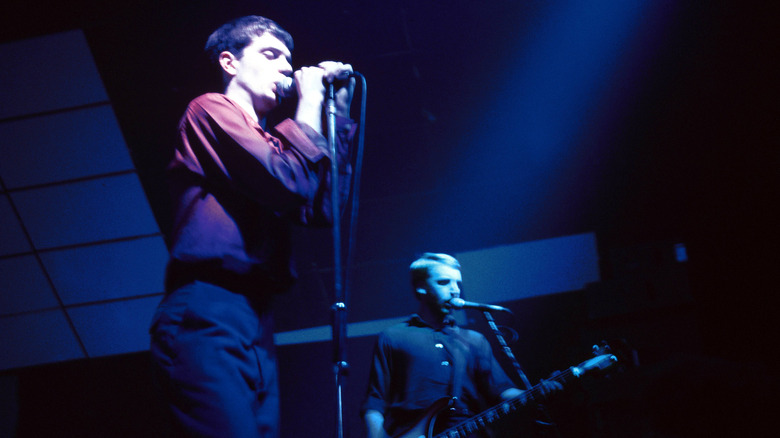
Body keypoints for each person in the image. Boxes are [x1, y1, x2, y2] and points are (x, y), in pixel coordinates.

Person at [149, 15, 356, 438]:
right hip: (207, 308)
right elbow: (286, 183)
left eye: (288, 58)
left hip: (256, 319)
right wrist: (310, 102)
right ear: (230, 63)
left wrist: (339, 117)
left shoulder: (278, 144)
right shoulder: (209, 109)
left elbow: (323, 210)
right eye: (270, 54)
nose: (285, 66)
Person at [362, 253, 561, 438]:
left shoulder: (474, 340)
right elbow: (375, 401)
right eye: (444, 282)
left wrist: (536, 392)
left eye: (457, 282)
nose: (455, 289)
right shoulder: (393, 337)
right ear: (421, 287)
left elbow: (501, 390)